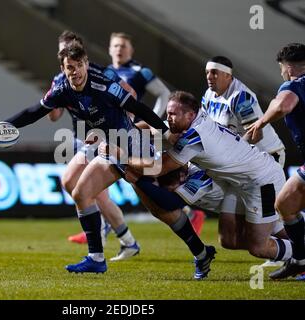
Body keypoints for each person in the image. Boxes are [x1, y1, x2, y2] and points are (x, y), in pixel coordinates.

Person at [1, 44, 176, 274]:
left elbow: (137, 105)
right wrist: (7, 126)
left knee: (158, 205)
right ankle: (99, 254)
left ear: (86, 62)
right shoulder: (62, 86)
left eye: (78, 65)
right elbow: (37, 112)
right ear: (63, 68)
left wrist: (164, 132)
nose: (74, 71)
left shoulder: (103, 83)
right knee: (80, 191)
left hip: (125, 143)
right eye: (69, 67)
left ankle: (195, 245)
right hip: (100, 145)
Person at [118, 91, 288, 264]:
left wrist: (122, 158)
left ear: (190, 114)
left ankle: (299, 256)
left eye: (172, 114)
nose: (168, 118)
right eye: (168, 114)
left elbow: (159, 170)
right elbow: (155, 128)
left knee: (260, 247)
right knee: (229, 239)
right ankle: (295, 254)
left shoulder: (194, 138)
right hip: (240, 184)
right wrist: (125, 131)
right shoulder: (198, 121)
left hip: (262, 182)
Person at [49, 31, 141, 261]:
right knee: (82, 188)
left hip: (104, 137)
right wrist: (50, 99)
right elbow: (54, 116)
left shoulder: (100, 72)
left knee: (84, 188)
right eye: (62, 49)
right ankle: (123, 238)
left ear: (81, 51)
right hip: (82, 137)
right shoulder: (61, 78)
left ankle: (105, 238)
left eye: (70, 47)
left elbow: (130, 93)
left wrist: (123, 125)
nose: (66, 52)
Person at [108, 32, 205, 234]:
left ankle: (103, 227)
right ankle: (104, 224)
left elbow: (163, 93)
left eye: (123, 46)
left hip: (135, 132)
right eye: (116, 45)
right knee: (126, 176)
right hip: (117, 131)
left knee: (139, 176)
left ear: (131, 50)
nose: (119, 49)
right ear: (110, 49)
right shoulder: (106, 72)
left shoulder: (140, 71)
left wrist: (151, 119)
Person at [202, 56, 287, 266]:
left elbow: (255, 134)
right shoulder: (208, 96)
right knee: (228, 238)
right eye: (207, 72)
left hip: (266, 161)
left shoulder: (241, 97)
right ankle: (281, 248)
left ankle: (290, 253)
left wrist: (228, 150)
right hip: (239, 169)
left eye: (214, 72)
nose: (209, 77)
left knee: (270, 220)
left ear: (228, 75)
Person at [248, 42, 305, 279]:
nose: (281, 72)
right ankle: (300, 260)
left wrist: (261, 123)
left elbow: (284, 104)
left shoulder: (294, 84)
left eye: (282, 67)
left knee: (285, 205)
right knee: (286, 205)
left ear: (288, 67)